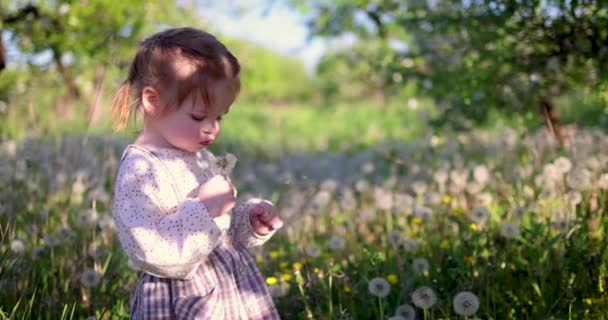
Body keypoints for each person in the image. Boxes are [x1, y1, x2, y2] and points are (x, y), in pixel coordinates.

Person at [110, 27, 284, 319]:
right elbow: (149, 249)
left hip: (229, 290)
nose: (212, 127)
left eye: (219, 116)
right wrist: (203, 209)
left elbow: (218, 233)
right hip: (183, 298)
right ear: (152, 101)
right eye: (199, 116)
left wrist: (247, 221)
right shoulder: (140, 170)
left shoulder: (199, 155)